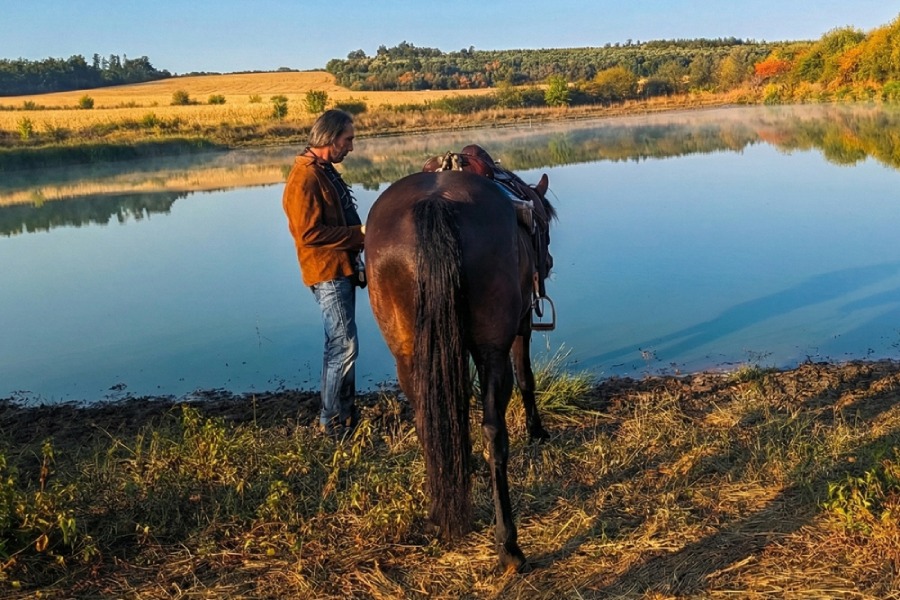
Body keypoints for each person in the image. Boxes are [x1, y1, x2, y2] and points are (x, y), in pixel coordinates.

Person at [282, 109, 366, 438]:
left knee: (340, 344)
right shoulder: (304, 177)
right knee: (343, 345)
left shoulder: (323, 170)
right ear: (329, 138)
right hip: (327, 272)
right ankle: (331, 422)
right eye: (348, 140)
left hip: (340, 268)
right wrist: (360, 234)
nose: (351, 147)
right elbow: (308, 234)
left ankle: (345, 415)